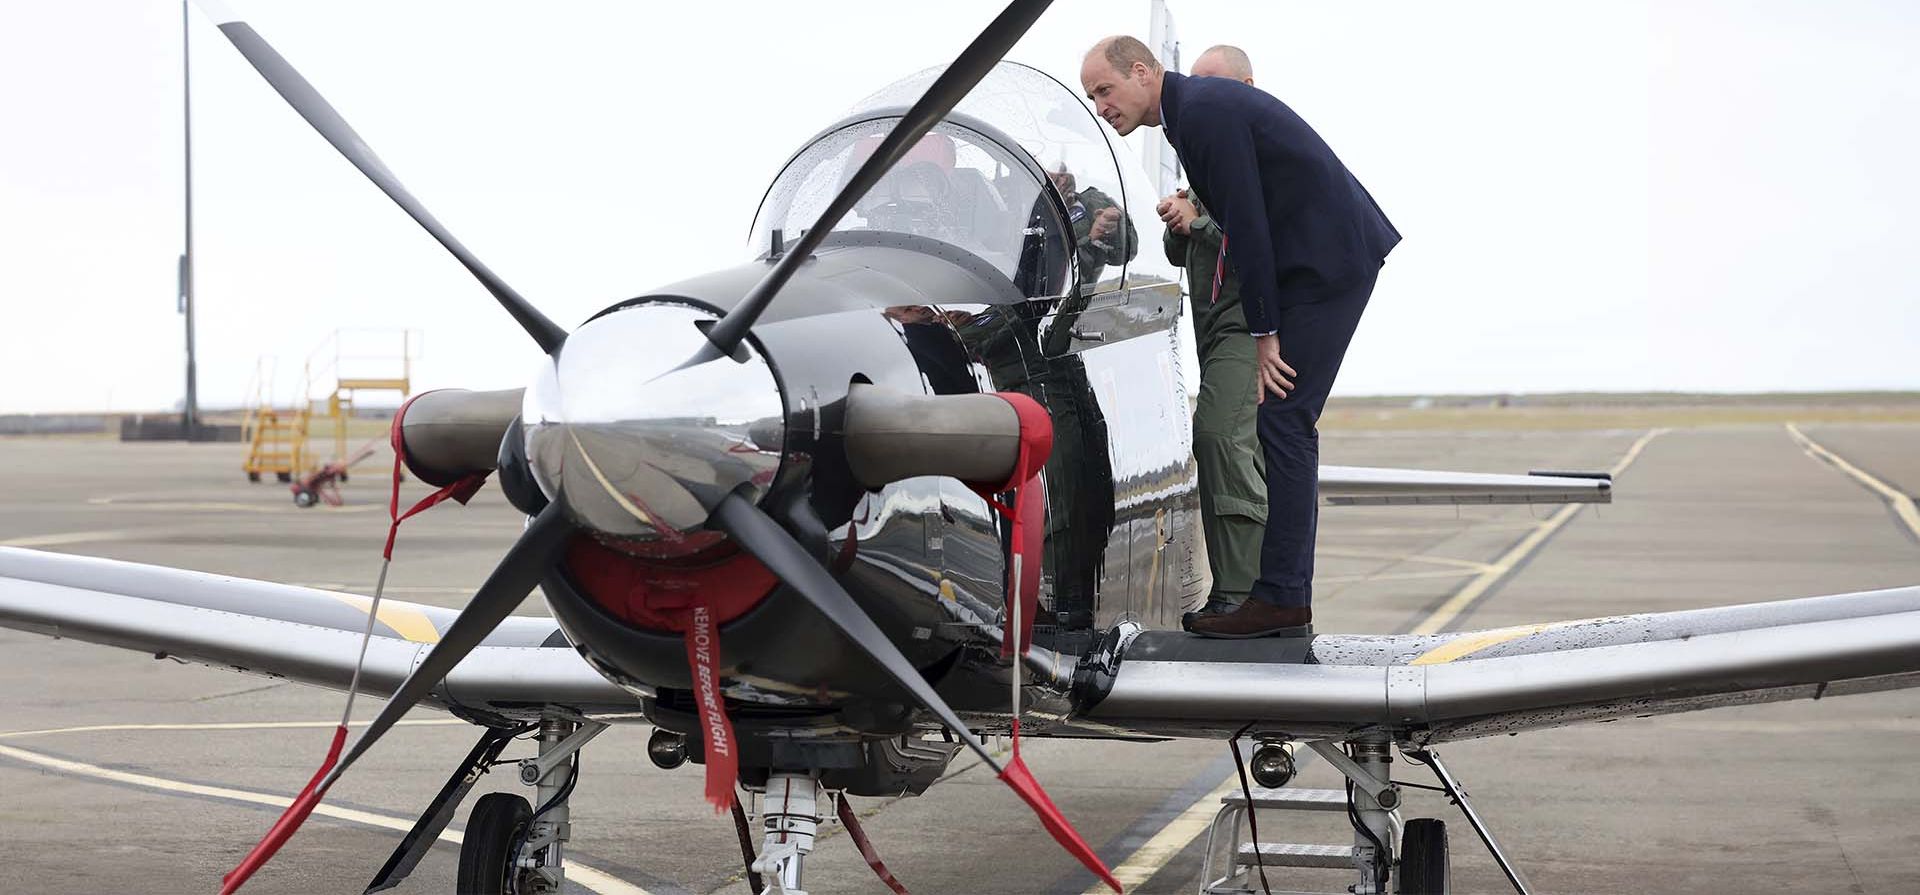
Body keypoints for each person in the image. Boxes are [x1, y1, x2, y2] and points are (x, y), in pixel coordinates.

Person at [1081, 36, 1400, 638]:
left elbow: (1246, 223)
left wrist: (1264, 332)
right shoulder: (1189, 115)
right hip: (1317, 263)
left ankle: (1279, 600)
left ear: (1142, 72)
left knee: (1285, 420)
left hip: (1327, 263)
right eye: (1093, 96)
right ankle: (1281, 597)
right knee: (1282, 421)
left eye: (1105, 89)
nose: (1101, 106)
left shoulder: (1202, 112)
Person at [1156, 45, 1266, 624]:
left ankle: (1244, 592)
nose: (1200, 96)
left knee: (1221, 438)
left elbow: (1257, 242)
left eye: (1213, 84)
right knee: (1227, 445)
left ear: (1246, 87)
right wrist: (1180, 221)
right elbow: (1184, 253)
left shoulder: (1258, 159)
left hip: (1249, 329)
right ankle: (1241, 588)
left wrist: (1197, 223)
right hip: (1212, 334)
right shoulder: (1205, 166)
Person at [1048, 166, 1136, 290]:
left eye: (1064, 173)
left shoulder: (1094, 201)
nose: (1064, 181)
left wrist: (1115, 228)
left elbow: (1129, 251)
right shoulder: (1042, 222)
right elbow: (1059, 274)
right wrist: (1091, 238)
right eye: (1056, 180)